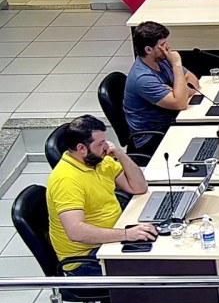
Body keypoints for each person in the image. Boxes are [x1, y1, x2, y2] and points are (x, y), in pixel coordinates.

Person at [47, 115, 155, 276]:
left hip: (113, 233)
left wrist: (120, 154)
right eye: (100, 143)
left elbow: (138, 187)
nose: (106, 147)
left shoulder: (100, 160)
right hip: (86, 258)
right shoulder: (66, 180)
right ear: (81, 148)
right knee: (154, 269)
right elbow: (76, 232)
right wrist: (127, 235)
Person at [124, 21, 199, 155]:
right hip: (152, 136)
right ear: (148, 50)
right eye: (163, 45)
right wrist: (176, 65)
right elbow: (181, 103)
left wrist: (178, 92)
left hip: (172, 119)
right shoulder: (143, 78)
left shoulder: (162, 60)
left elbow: (194, 81)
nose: (168, 47)